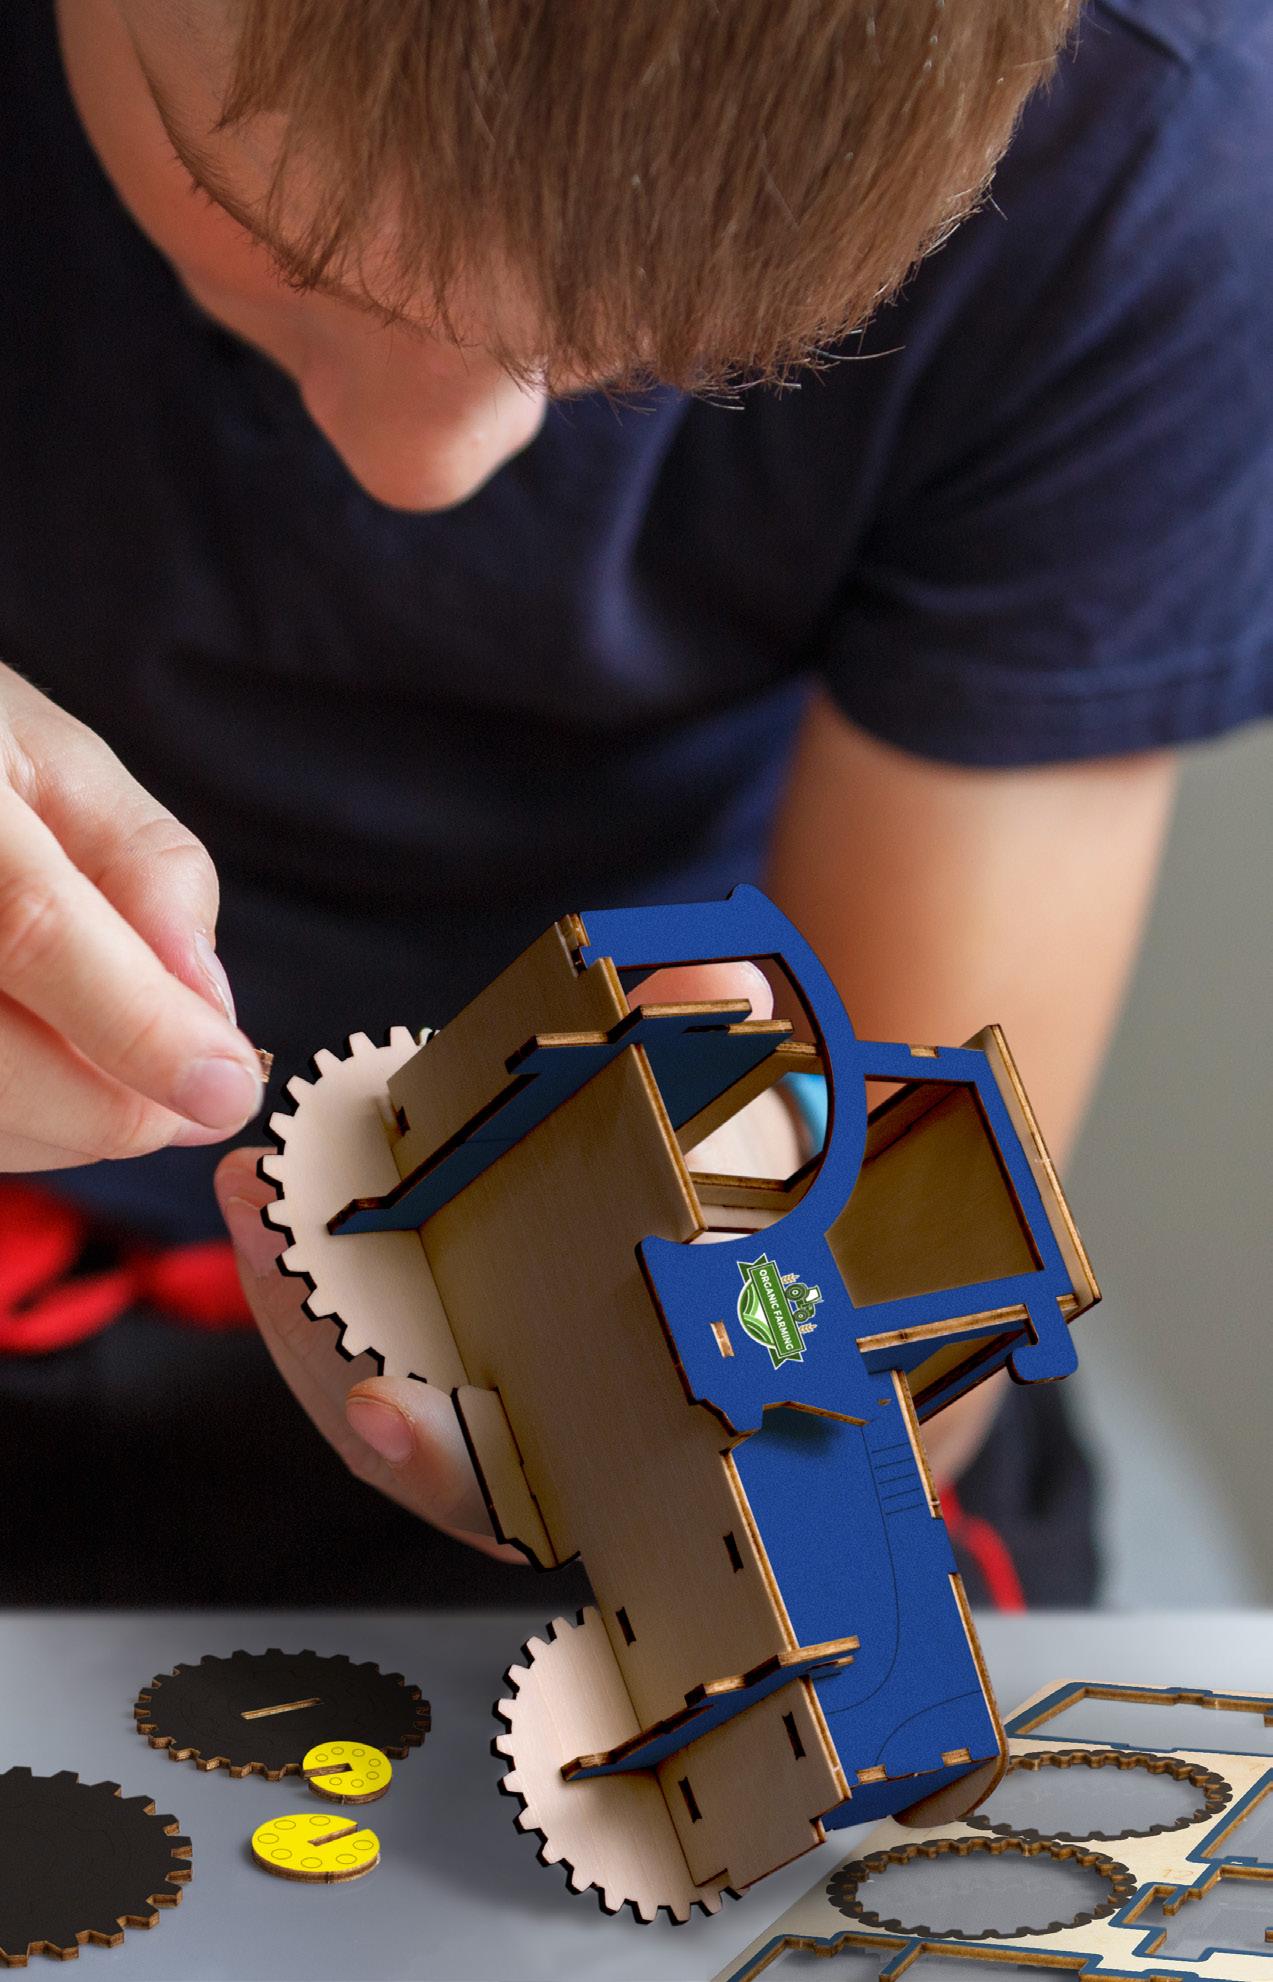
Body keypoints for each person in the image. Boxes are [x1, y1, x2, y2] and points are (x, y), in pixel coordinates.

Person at [1, 0, 1269, 1607]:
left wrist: (750, 1366)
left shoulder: (1144, 153)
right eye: (269, 226)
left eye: (644, 352)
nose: (422, 468)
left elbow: (910, 1284)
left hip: (643, 1314)